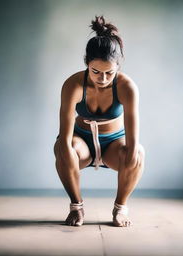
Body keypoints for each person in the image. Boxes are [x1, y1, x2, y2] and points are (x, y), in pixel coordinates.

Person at [53, 15, 145, 227]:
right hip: (82, 142)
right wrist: (65, 150)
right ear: (87, 63)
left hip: (113, 144)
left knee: (138, 152)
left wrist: (130, 156)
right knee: (61, 147)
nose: (102, 79)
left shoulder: (127, 87)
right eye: (96, 72)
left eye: (109, 73)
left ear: (118, 67)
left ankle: (120, 208)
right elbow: (65, 137)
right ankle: (77, 206)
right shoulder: (73, 85)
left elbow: (132, 139)